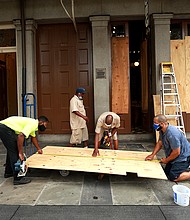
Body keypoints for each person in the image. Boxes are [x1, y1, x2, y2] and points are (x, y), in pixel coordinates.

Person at [0, 115, 49, 185]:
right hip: (5, 128)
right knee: (15, 151)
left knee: (12, 149)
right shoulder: (33, 124)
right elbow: (21, 135)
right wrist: (20, 153)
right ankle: (18, 178)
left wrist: (38, 149)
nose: (45, 127)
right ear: (41, 122)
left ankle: (9, 172)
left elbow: (33, 138)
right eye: (45, 124)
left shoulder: (33, 124)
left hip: (4, 127)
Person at [145, 114, 190, 182]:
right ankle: (181, 168)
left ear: (162, 124)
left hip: (183, 157)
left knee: (173, 177)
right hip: (175, 155)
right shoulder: (162, 130)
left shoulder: (172, 134)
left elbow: (176, 152)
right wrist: (152, 155)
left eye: (155, 123)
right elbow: (160, 142)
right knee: (166, 173)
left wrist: (166, 160)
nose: (154, 125)